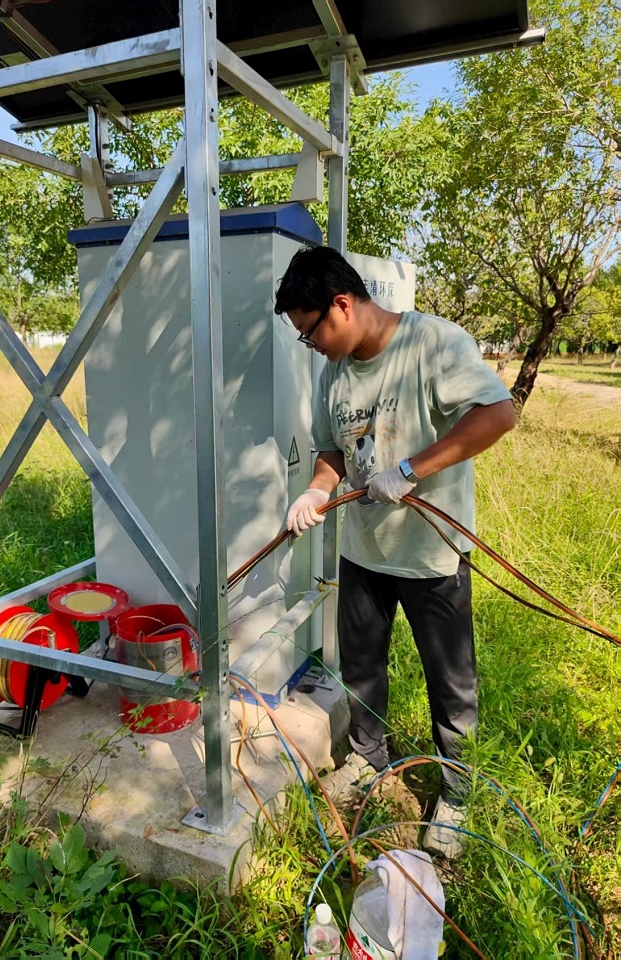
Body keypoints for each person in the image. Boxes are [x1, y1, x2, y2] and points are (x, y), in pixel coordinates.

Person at [276, 246, 516, 858]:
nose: (311, 345)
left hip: (431, 553)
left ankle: (456, 793)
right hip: (363, 550)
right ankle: (368, 757)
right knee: (361, 668)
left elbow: (499, 414)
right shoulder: (334, 374)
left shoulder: (432, 343)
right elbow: (332, 450)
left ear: (342, 304)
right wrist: (316, 490)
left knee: (450, 680)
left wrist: (411, 468)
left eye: (310, 331)